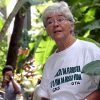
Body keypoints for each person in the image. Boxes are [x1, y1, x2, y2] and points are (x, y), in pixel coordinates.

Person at [37, 1, 100, 100]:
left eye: (60, 19)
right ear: (47, 31)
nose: (55, 24)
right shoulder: (50, 62)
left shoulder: (90, 50)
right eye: (50, 22)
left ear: (71, 25)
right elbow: (44, 96)